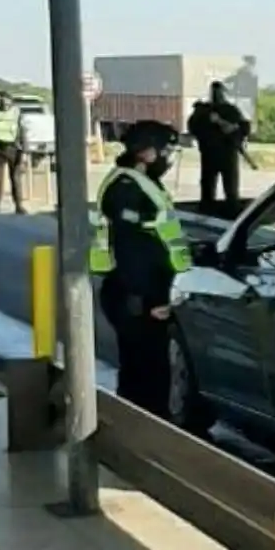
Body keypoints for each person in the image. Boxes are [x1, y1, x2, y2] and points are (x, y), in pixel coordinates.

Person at [89, 120, 192, 419]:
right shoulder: (125, 189)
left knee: (148, 370)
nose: (169, 157)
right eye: (166, 150)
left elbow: (161, 236)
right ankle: (140, 437)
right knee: (145, 376)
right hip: (135, 294)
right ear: (146, 153)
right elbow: (133, 250)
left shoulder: (142, 183)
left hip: (142, 291)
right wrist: (154, 299)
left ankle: (140, 430)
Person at [188, 81, 250, 216]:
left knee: (228, 185)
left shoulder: (230, 110)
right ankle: (213, 209)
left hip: (224, 151)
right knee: (211, 184)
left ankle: (228, 209)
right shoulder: (205, 111)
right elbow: (193, 127)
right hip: (213, 152)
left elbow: (244, 127)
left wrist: (232, 128)